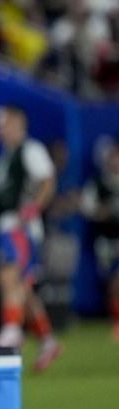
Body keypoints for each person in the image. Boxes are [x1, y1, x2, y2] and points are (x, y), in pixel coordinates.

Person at [0, 106, 61, 371]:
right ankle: (47, 340)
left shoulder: (31, 149)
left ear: (18, 123)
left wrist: (32, 209)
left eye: (4, 123)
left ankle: (11, 330)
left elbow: (47, 181)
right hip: (8, 224)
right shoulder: (7, 156)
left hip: (19, 226)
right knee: (24, 289)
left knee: (9, 277)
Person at [81, 141, 119, 341]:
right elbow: (87, 208)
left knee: (117, 281)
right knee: (112, 283)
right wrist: (100, 212)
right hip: (106, 239)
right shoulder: (98, 182)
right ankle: (116, 320)